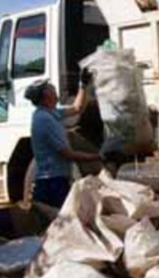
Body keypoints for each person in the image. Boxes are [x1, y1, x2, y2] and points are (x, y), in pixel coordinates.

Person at [24, 79, 101, 208]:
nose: (55, 90)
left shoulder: (51, 113)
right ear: (46, 96)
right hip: (52, 183)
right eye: (51, 88)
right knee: (57, 220)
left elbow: (77, 108)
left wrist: (83, 84)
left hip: (56, 180)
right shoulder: (45, 119)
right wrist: (98, 157)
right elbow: (68, 154)